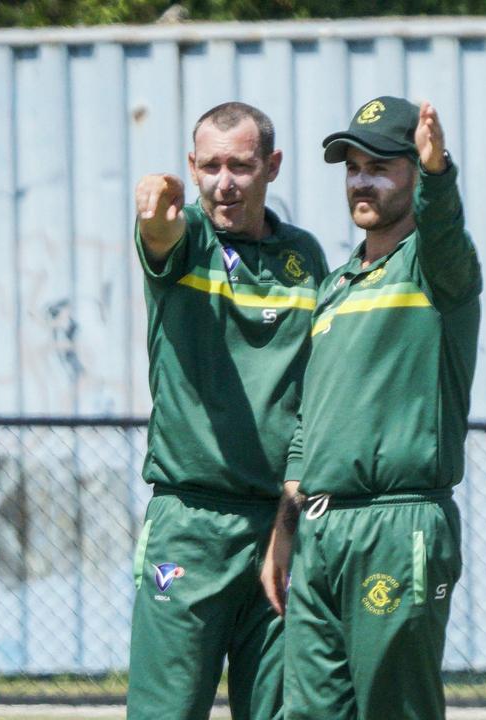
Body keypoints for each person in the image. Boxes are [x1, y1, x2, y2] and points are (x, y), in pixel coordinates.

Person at [261, 96, 482, 719]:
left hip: (397, 523)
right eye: (352, 166)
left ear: (414, 170)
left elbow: (443, 228)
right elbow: (311, 418)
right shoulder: (334, 286)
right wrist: (285, 530)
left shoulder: (436, 269)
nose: (362, 179)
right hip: (321, 530)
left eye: (381, 165)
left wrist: (441, 178)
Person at [128, 101, 329, 720]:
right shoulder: (185, 240)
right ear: (193, 167)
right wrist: (154, 213)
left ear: (272, 166)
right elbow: (158, 236)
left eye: (240, 165)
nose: (223, 182)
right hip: (191, 523)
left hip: (278, 528)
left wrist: (292, 521)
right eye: (209, 166)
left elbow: (318, 390)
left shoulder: (306, 258)